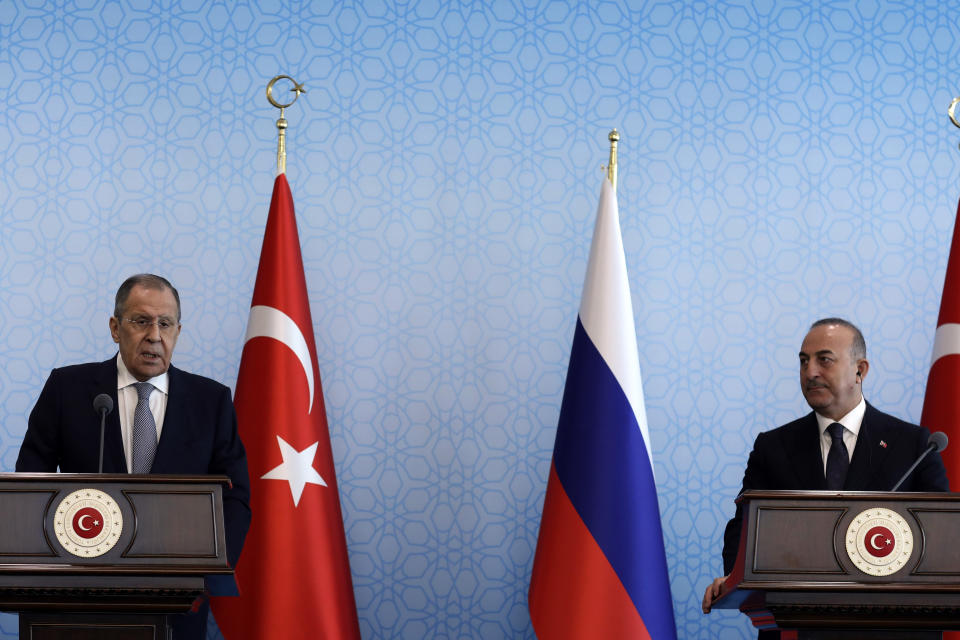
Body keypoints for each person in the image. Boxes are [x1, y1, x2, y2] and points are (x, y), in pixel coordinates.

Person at [16, 273, 251, 640]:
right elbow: (29, 486)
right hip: (78, 599)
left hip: (177, 601)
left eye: (166, 324)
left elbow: (236, 498)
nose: (154, 335)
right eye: (141, 321)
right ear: (115, 327)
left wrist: (205, 575)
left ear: (177, 330)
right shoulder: (67, 389)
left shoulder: (211, 401)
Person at [701, 318, 949, 632]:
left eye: (824, 360)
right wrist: (735, 576)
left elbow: (940, 536)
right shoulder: (773, 447)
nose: (810, 372)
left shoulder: (914, 445)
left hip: (893, 626)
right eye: (804, 362)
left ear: (861, 370)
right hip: (795, 625)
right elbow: (744, 527)